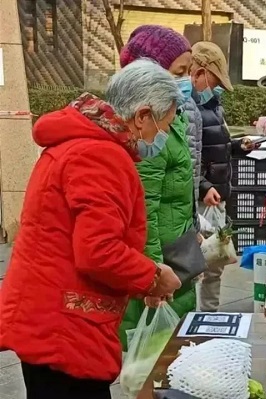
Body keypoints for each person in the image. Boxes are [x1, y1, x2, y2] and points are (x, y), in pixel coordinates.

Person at [0, 60, 183, 399]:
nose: (163, 137)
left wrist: (140, 281)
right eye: (164, 125)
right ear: (142, 116)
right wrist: (153, 275)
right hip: (65, 328)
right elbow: (98, 252)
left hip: (47, 316)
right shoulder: (100, 155)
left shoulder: (77, 143)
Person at [118, 25, 198, 347]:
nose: (187, 80)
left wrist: (193, 226)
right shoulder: (147, 131)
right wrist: (153, 277)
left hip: (178, 252)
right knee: (155, 365)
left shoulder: (170, 119)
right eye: (180, 72)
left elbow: (174, 190)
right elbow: (144, 211)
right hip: (161, 261)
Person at [190, 41, 253, 311]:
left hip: (219, 195)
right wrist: (203, 187)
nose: (215, 87)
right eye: (214, 81)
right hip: (203, 199)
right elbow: (189, 158)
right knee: (195, 263)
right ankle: (190, 319)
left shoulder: (214, 105)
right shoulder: (187, 108)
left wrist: (239, 146)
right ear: (200, 72)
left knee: (215, 261)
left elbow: (217, 148)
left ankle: (209, 316)